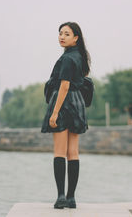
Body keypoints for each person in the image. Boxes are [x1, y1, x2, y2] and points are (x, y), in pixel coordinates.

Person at [41, 21, 92, 209]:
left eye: (67, 34)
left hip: (63, 103)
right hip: (77, 103)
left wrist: (54, 113)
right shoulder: (79, 57)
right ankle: (71, 198)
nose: (62, 36)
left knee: (60, 152)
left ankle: (61, 196)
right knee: (73, 152)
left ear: (76, 38)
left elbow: (64, 85)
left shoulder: (68, 59)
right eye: (60, 33)